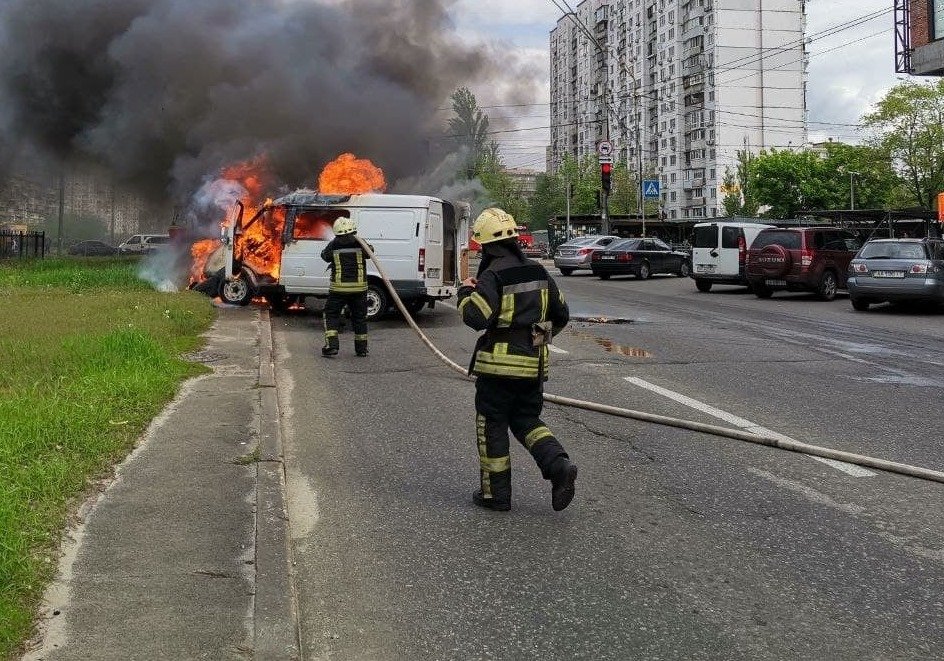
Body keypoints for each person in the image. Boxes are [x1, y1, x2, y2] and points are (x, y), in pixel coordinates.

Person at [457, 208, 577, 512]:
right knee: (527, 420)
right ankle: (559, 465)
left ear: (487, 246)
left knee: (492, 424)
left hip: (498, 370)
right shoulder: (539, 271)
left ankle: (496, 495)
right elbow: (561, 315)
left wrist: (464, 292)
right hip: (533, 366)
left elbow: (476, 317)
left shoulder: (492, 274)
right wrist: (535, 340)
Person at [320, 216, 371, 357]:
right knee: (359, 317)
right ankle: (361, 349)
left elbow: (324, 256)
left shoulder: (334, 244)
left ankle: (332, 346)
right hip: (359, 289)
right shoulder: (360, 242)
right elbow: (370, 252)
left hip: (339, 289)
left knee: (331, 314)